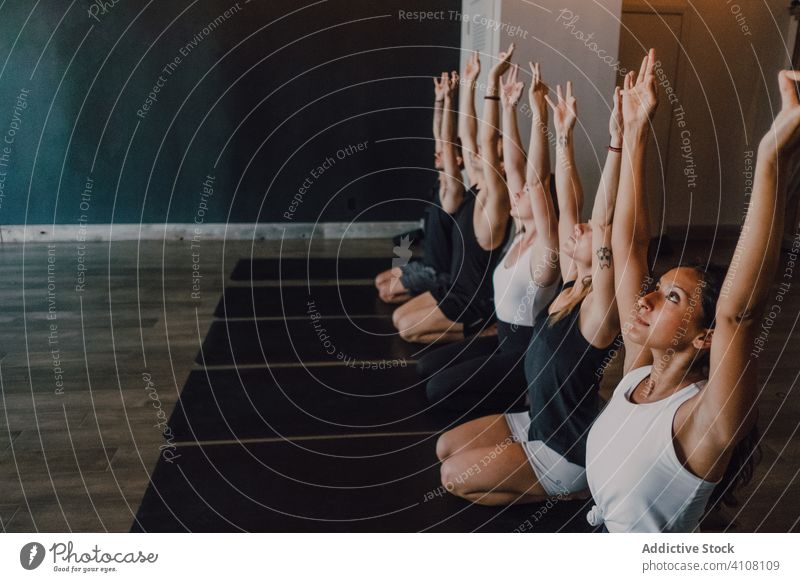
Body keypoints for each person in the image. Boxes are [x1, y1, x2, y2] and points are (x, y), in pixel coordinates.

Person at [584, 51, 799, 533]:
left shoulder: (701, 424)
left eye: (673, 299)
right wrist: (636, 131)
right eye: (658, 290)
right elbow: (629, 244)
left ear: (704, 337)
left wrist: (769, 158)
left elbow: (738, 314)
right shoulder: (637, 371)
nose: (645, 299)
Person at [434, 78, 625, 503]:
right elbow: (541, 187)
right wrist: (558, 132)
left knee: (452, 476)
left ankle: (565, 493)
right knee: (444, 446)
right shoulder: (574, 284)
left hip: (563, 449)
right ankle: (525, 466)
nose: (578, 227)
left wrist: (620, 144)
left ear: (608, 249)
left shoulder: (599, 307)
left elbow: (609, 217)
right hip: (534, 420)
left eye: (589, 229)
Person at [416, 61, 560, 415]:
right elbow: (509, 163)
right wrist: (507, 106)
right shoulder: (521, 234)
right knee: (425, 368)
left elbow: (533, 176)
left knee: (439, 390)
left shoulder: (545, 246)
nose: (516, 191)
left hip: (526, 355)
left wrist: (541, 114)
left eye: (524, 191)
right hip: (500, 339)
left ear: (542, 202)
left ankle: (519, 400)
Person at [392, 48, 515, 344]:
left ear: (498, 166)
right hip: (454, 289)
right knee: (398, 318)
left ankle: (482, 330)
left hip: (473, 300)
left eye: (486, 154)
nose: (474, 153)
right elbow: (456, 139)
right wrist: (465, 88)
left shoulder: (494, 199)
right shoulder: (476, 187)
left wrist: (493, 83)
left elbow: (479, 139)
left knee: (409, 330)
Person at [374, 74, 461, 304]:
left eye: (445, 154)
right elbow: (439, 139)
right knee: (380, 281)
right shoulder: (440, 183)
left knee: (387, 293)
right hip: (426, 263)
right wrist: (440, 100)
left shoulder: (453, 189)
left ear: (457, 160)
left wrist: (451, 101)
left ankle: (436, 295)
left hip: (438, 273)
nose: (437, 153)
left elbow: (447, 141)